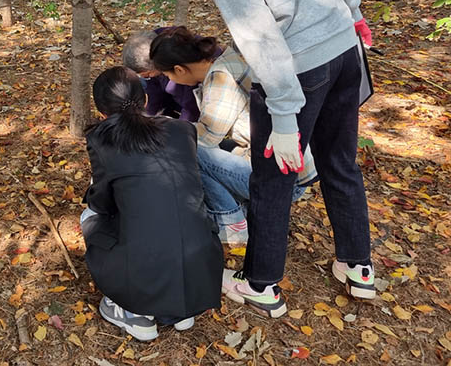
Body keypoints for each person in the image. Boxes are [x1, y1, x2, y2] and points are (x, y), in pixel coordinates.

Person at [132, 0, 375, 318]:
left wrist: (284, 120)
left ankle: (261, 284)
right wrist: (353, 12)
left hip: (299, 71)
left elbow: (262, 43)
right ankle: (357, 266)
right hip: (344, 51)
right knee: (341, 162)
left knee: (272, 180)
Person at [82, 66, 222, 341]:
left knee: (89, 217)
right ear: (144, 100)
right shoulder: (183, 130)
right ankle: (180, 310)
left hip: (144, 268)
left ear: (101, 112)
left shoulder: (101, 139)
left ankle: (133, 313)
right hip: (202, 265)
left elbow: (102, 203)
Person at [149, 26, 317, 245]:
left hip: (282, 179)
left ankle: (230, 221)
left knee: (187, 148)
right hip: (292, 165)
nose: (169, 79)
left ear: (179, 69)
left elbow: (207, 138)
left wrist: (165, 126)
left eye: (167, 74)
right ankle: (242, 212)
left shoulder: (220, 77)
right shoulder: (227, 55)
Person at [121, 29, 200, 120]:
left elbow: (191, 107)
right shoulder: (151, 43)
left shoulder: (184, 65)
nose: (146, 77)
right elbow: (153, 92)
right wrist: (148, 119)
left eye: (147, 75)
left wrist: (182, 128)